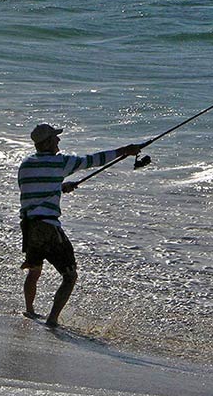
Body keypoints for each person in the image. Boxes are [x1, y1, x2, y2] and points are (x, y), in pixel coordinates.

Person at [18, 123, 142, 327]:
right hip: (48, 227)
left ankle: (29, 310)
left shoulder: (26, 164)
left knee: (35, 269)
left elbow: (34, 189)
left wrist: (59, 187)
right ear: (47, 142)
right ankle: (52, 320)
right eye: (55, 138)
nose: (58, 141)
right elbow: (92, 161)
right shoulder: (60, 163)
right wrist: (125, 151)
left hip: (29, 226)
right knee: (70, 275)